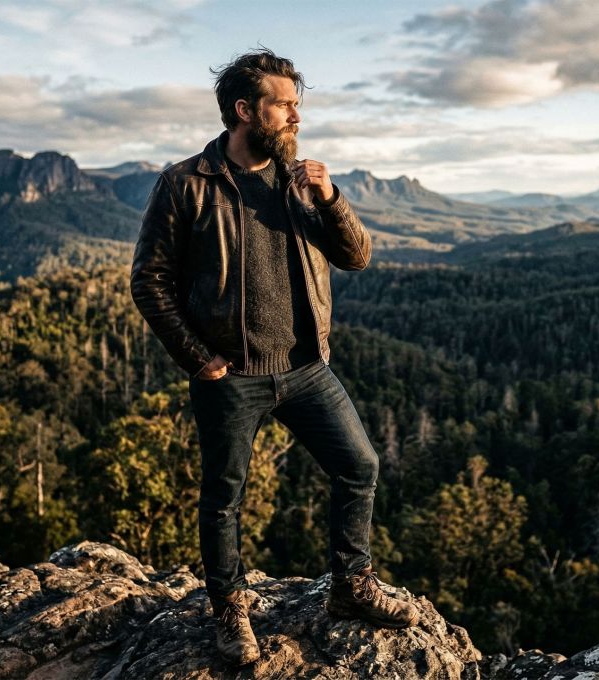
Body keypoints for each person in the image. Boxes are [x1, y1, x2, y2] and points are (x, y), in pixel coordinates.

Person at [130, 48, 420, 667]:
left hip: (306, 367)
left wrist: (332, 196)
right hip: (231, 376)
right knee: (224, 497)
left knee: (359, 465)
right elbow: (149, 281)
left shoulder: (299, 182)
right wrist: (199, 359)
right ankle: (230, 611)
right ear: (244, 110)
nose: (295, 116)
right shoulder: (187, 183)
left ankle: (350, 587)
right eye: (284, 104)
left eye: (297, 104)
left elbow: (356, 256)